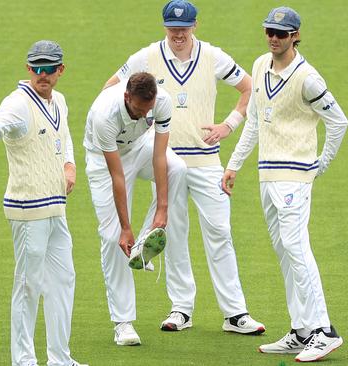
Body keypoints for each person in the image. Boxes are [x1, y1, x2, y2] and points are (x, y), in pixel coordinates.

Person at [102, 0, 265, 334]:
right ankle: (181, 309)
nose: (178, 34)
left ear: (195, 26)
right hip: (167, 162)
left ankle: (235, 313)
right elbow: (110, 89)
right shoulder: (144, 57)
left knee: (220, 231)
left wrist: (228, 125)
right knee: (173, 234)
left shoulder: (213, 56)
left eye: (184, 28)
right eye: (173, 29)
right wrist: (136, 127)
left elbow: (250, 88)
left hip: (206, 161)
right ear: (164, 27)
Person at [221, 7, 348, 363]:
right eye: (270, 32)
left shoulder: (308, 78)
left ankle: (324, 331)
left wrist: (320, 164)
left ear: (295, 35)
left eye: (281, 33)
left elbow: (338, 121)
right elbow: (254, 120)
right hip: (268, 173)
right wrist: (234, 164)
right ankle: (302, 330)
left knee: (296, 247)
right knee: (284, 252)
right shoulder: (260, 65)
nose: (274, 38)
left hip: (295, 175)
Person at [0, 40, 87, 366]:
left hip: (56, 208)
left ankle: (60, 358)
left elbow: (65, 139)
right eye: (36, 68)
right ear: (28, 68)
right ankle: (23, 361)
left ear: (61, 70)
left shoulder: (59, 100)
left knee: (63, 281)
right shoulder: (17, 103)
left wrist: (70, 165)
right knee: (28, 285)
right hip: (27, 209)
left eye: (49, 68)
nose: (42, 74)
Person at [84, 71, 188, 345]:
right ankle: (123, 323)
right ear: (127, 97)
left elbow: (159, 155)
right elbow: (118, 176)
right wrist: (125, 228)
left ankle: (143, 244)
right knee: (113, 237)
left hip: (140, 147)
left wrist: (162, 209)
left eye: (149, 110)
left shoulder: (161, 102)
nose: (145, 116)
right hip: (105, 161)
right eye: (140, 110)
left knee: (178, 167)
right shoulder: (104, 116)